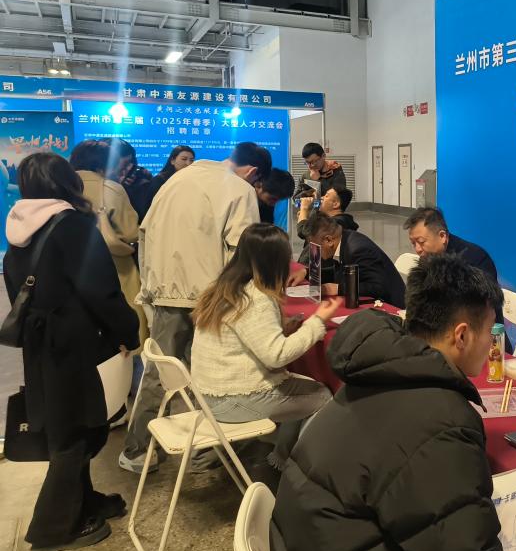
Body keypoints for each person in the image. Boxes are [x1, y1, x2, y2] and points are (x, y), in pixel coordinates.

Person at [270, 254, 516, 551]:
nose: (491, 344)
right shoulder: (441, 419)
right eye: (489, 332)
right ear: (461, 336)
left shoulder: (378, 369)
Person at [3, 153, 139, 551]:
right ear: (67, 183)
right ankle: (53, 529)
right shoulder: (74, 225)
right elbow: (101, 290)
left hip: (40, 342)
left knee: (65, 425)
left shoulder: (18, 227)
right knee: (79, 432)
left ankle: (85, 502)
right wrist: (126, 331)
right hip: (77, 343)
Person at [119, 141, 271, 474]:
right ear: (253, 172)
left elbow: (144, 233)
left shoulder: (178, 179)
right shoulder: (239, 189)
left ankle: (137, 450)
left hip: (164, 290)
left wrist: (151, 286)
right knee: (216, 372)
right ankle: (206, 453)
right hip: (210, 296)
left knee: (161, 372)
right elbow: (241, 250)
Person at [191, 223, 339, 470]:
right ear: (275, 262)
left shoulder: (225, 287)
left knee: (303, 386)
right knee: (322, 395)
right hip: (234, 399)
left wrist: (283, 330)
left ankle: (282, 454)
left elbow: (249, 338)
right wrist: (318, 322)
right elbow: (276, 356)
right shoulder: (256, 298)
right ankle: (292, 464)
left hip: (208, 395)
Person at [70, 140, 148, 344]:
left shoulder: (64, 188)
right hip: (114, 265)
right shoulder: (111, 189)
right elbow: (131, 232)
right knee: (123, 322)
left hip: (71, 267)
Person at [298, 210, 405, 308]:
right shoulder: (342, 239)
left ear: (328, 240)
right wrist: (306, 273)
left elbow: (378, 287)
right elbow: (341, 274)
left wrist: (338, 288)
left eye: (315, 246)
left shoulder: (358, 250)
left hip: (391, 308)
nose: (314, 251)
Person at [404, 206, 497, 281]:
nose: (417, 249)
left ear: (442, 236)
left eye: (421, 242)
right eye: (413, 243)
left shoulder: (477, 260)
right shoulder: (427, 258)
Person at [295, 184, 358, 264]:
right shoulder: (332, 220)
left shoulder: (337, 224)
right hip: (313, 265)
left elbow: (303, 232)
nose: (322, 198)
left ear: (335, 204)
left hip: (317, 268)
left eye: (326, 196)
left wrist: (304, 208)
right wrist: (304, 215)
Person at [108, 139, 154, 221]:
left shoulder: (142, 183)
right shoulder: (103, 185)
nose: (129, 168)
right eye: (125, 165)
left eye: (130, 163)